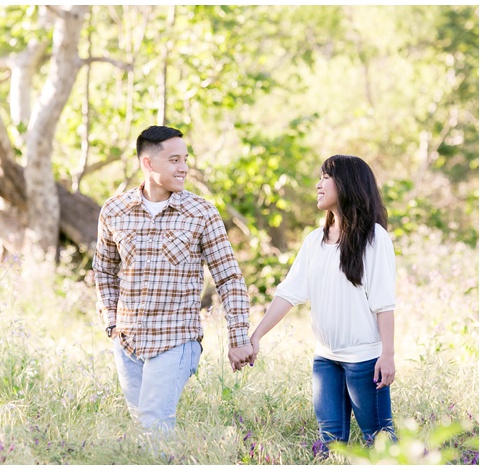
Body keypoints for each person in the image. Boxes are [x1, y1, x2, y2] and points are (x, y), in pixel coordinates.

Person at [93, 125, 254, 432]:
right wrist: (112, 322)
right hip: (127, 342)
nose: (184, 168)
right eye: (175, 160)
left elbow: (229, 278)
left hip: (175, 339)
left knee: (154, 421)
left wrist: (238, 338)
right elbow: (103, 269)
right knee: (143, 426)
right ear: (148, 163)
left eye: (185, 159)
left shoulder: (201, 212)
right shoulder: (115, 210)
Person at [249, 154, 397, 454]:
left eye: (325, 178)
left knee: (379, 442)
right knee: (330, 443)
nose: (318, 185)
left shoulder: (375, 238)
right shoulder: (315, 240)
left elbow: (384, 303)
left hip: (365, 361)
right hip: (326, 360)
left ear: (347, 184)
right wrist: (255, 336)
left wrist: (388, 355)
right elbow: (289, 293)